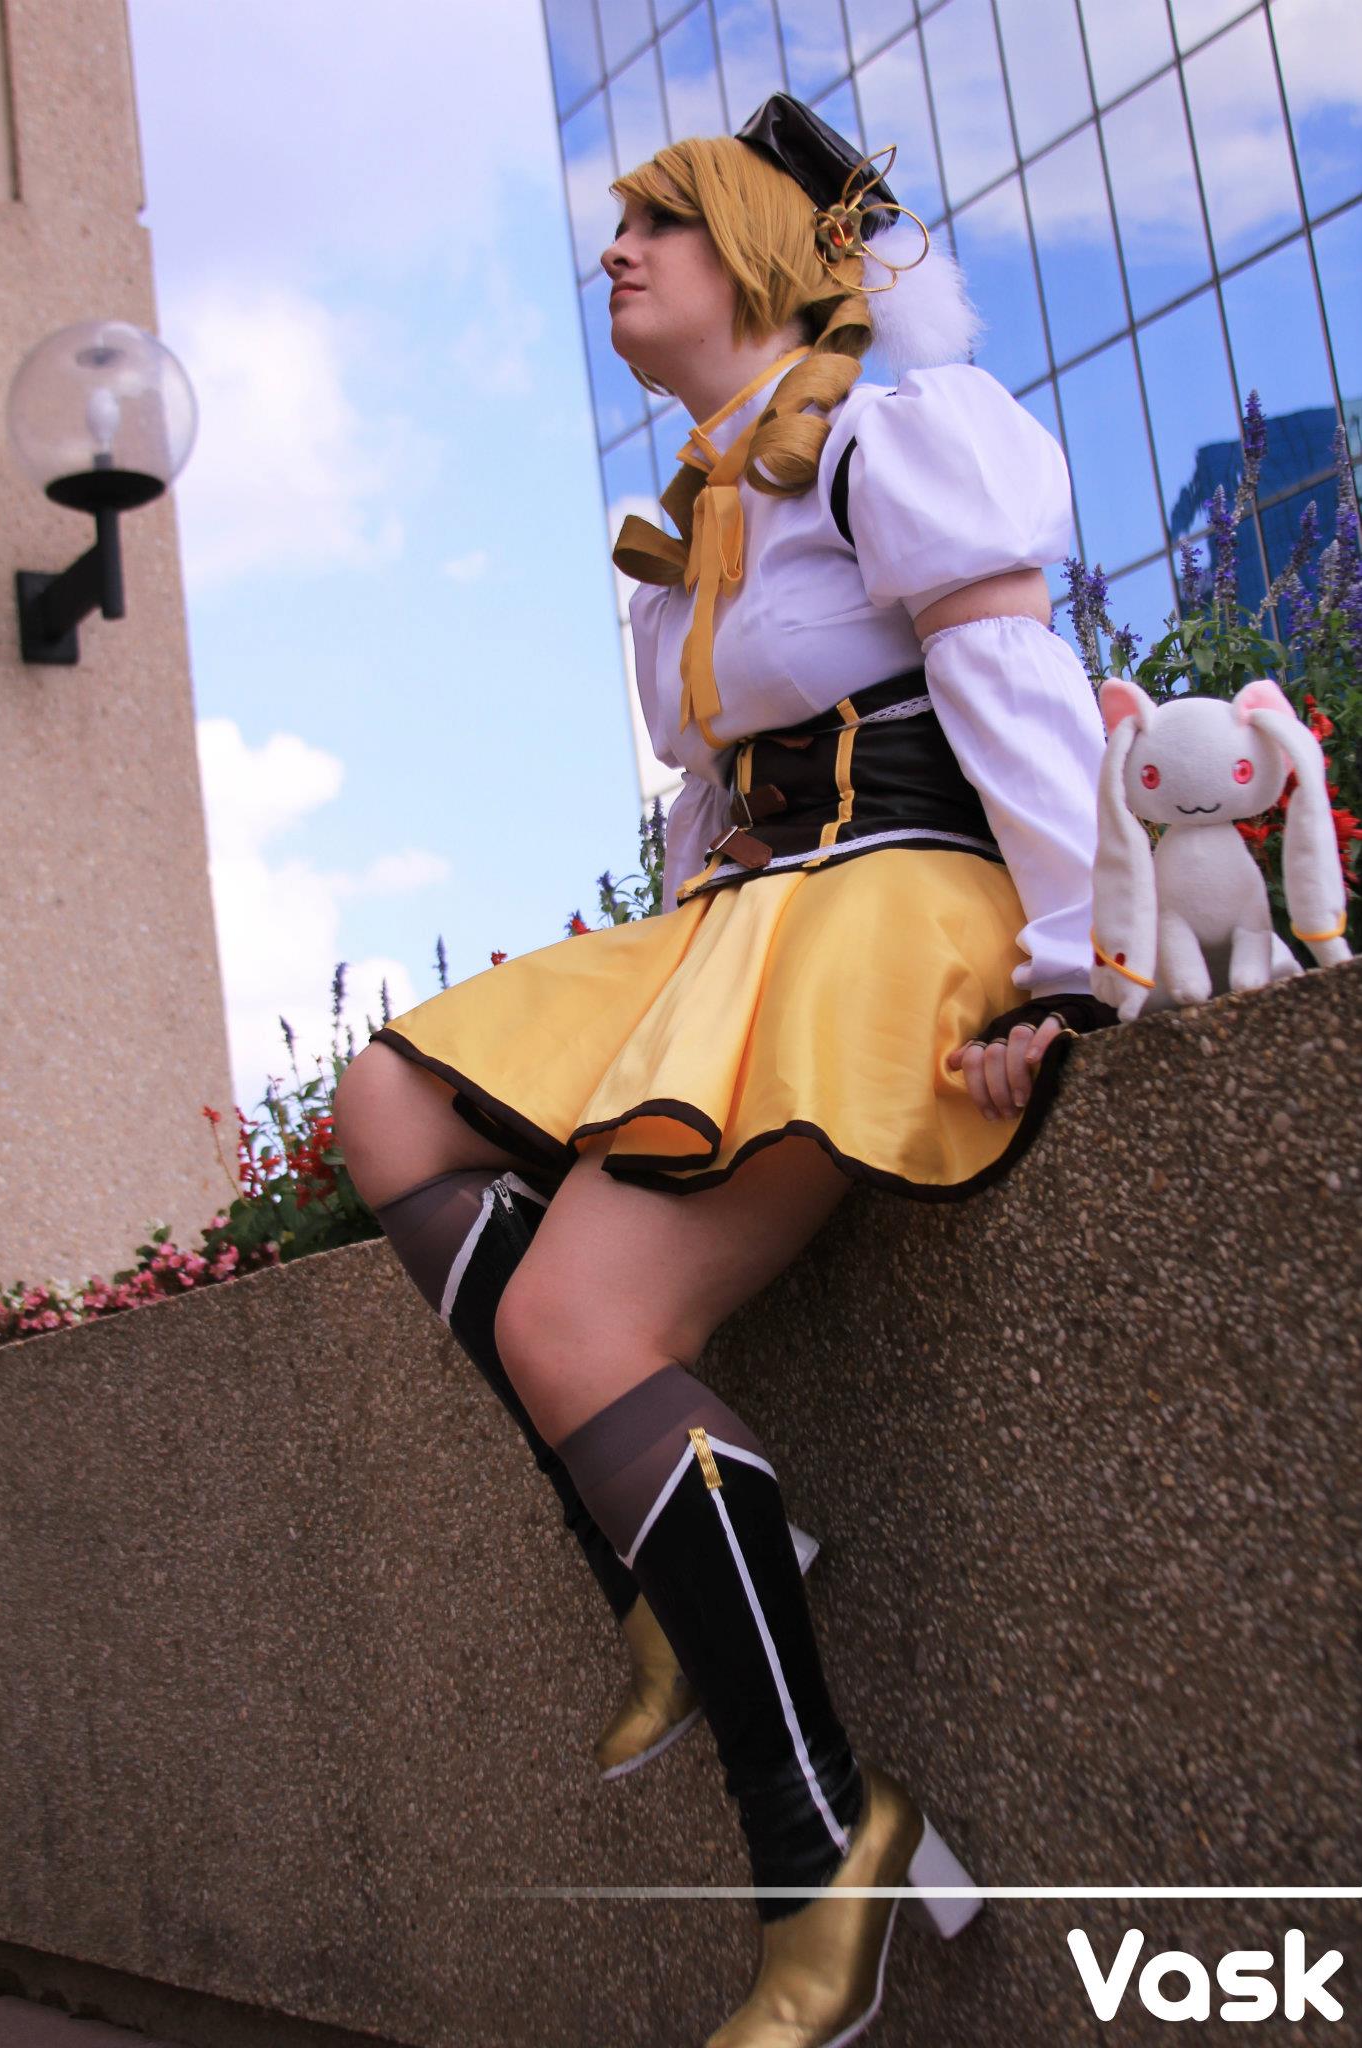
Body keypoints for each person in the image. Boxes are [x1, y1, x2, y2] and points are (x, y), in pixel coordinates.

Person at [333, 93, 1115, 2048]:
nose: (615, 251)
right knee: (388, 1099)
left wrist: (1070, 961)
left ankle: (817, 1841)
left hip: (897, 906)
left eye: (660, 224)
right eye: (617, 227)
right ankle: (660, 1547)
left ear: (761, 253)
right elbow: (715, 806)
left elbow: (1010, 681)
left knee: (579, 1319)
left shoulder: (888, 438)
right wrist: (658, 1000)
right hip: (753, 912)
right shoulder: (684, 526)